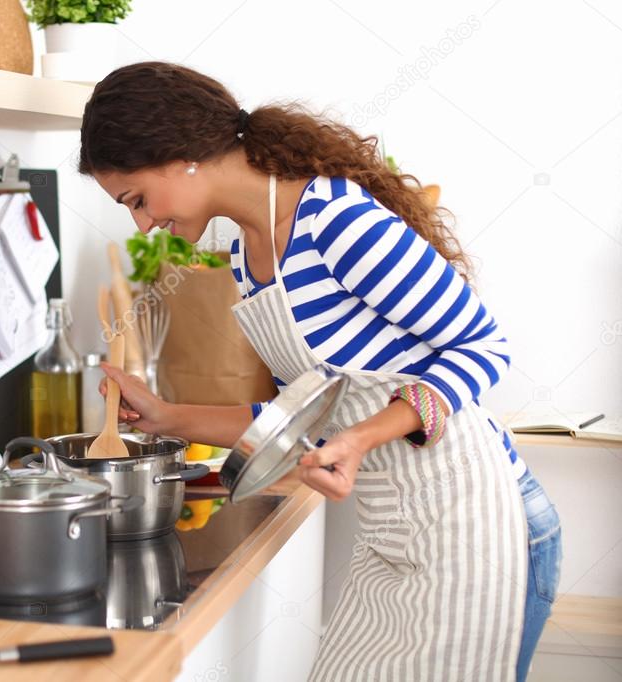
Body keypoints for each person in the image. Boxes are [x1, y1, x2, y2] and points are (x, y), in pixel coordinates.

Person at [79, 61, 562, 681]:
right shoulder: (249, 256)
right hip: (395, 533)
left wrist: (360, 438)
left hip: (481, 525)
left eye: (138, 199)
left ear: (181, 153)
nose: (142, 223)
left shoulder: (333, 221)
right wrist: (166, 415)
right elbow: (301, 416)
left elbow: (483, 346)